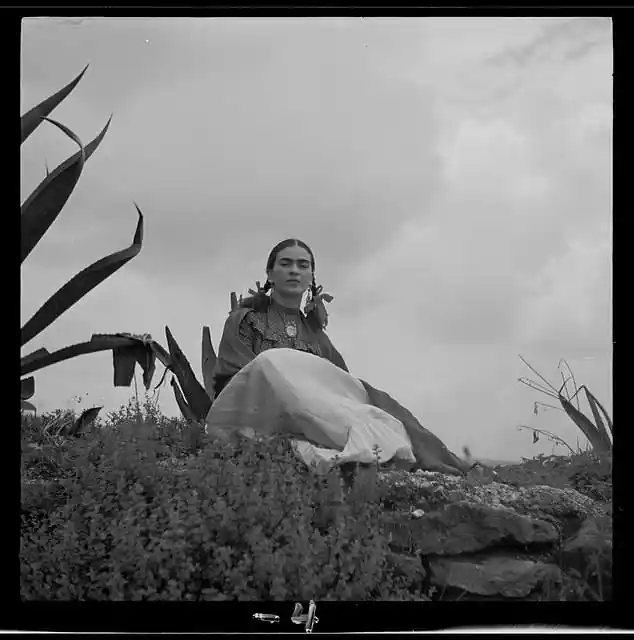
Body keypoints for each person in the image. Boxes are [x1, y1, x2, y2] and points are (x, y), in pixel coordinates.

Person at [206, 238, 469, 476]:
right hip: (255, 412)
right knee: (270, 362)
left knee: (382, 425)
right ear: (270, 274)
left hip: (308, 418)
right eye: (285, 264)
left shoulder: (317, 336)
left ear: (311, 277)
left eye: (303, 265)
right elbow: (235, 379)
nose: (294, 270)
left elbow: (337, 390)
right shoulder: (246, 321)